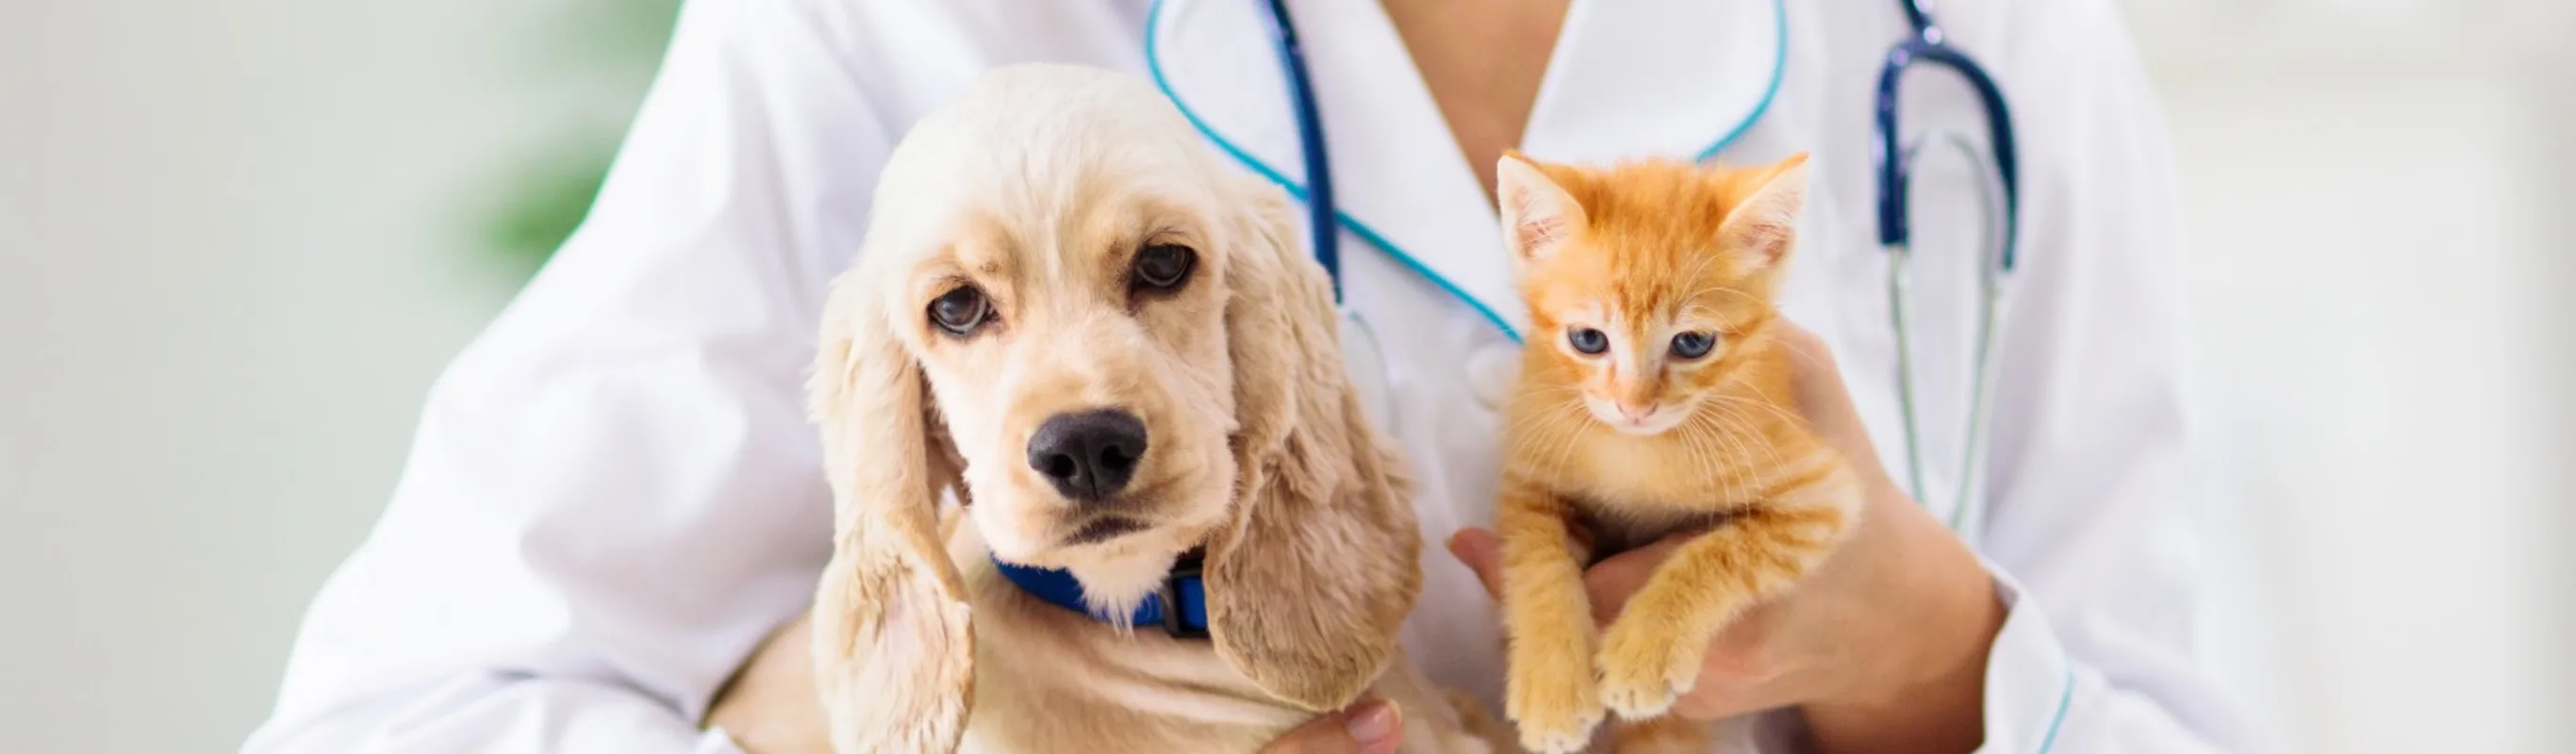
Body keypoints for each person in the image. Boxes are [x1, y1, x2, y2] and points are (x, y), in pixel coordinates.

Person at [242, 1, 2249, 752]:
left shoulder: (1984, 57)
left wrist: (1931, 652)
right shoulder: (870, 34)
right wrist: (924, 722)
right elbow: (391, 719)